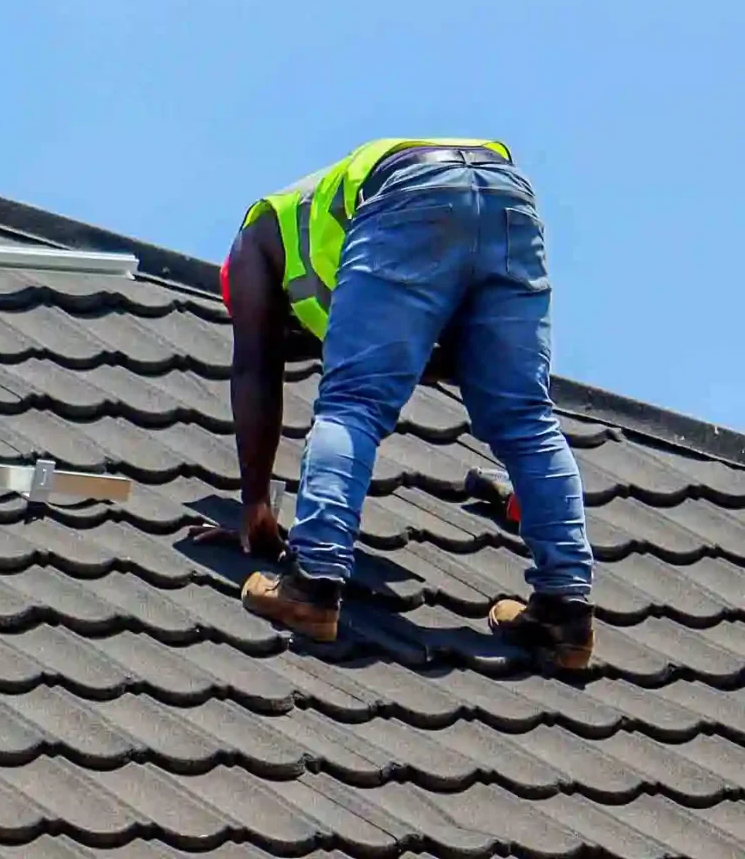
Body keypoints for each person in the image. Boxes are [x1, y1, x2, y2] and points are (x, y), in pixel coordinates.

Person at [222, 138, 595, 668]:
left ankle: (312, 583)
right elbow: (445, 358)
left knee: (350, 405)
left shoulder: (252, 244)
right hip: (505, 196)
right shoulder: (321, 246)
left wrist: (255, 502)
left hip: (410, 190)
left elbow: (254, 367)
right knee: (526, 418)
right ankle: (565, 612)